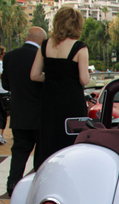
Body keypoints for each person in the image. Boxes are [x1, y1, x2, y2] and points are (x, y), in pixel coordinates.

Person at [31, 6, 89, 168]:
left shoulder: (45, 45)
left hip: (49, 99)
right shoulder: (80, 47)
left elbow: (34, 75)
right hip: (71, 100)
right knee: (70, 136)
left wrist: (52, 78)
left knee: (49, 136)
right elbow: (84, 79)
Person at [2, 26, 47, 197]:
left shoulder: (10, 56)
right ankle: (37, 188)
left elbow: (5, 85)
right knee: (41, 154)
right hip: (40, 114)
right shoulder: (42, 56)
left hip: (19, 113)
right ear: (42, 41)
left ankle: (13, 185)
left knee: (19, 152)